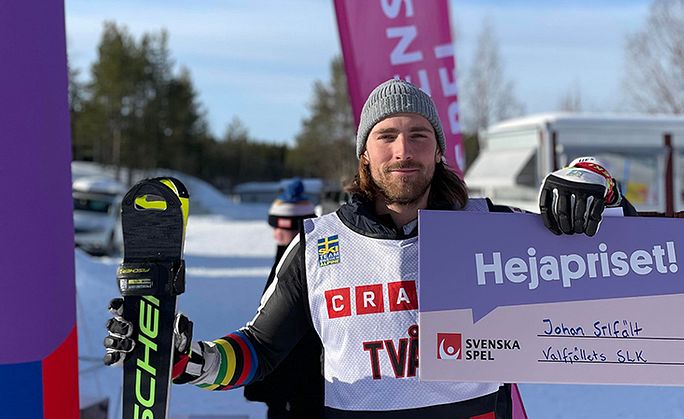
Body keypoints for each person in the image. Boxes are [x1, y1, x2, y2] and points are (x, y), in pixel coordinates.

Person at [105, 79, 636, 418]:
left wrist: (594, 180)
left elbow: (630, 260)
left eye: (418, 135)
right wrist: (182, 359)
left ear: (438, 152)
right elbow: (258, 352)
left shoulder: (490, 228)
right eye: (387, 136)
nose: (403, 151)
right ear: (365, 153)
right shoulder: (318, 243)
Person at [243, 178, 323, 418]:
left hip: (302, 372)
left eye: (286, 226)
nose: (278, 232)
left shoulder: (307, 261)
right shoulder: (283, 258)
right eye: (275, 225)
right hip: (278, 371)